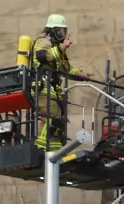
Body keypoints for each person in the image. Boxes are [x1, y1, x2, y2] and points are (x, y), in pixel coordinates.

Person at [31, 14, 91, 151]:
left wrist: (82, 75)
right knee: (49, 119)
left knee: (57, 122)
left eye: (63, 31)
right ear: (51, 30)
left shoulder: (56, 46)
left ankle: (55, 150)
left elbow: (66, 68)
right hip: (43, 86)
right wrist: (61, 48)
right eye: (59, 31)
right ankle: (42, 149)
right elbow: (42, 57)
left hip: (53, 88)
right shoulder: (43, 41)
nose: (61, 34)